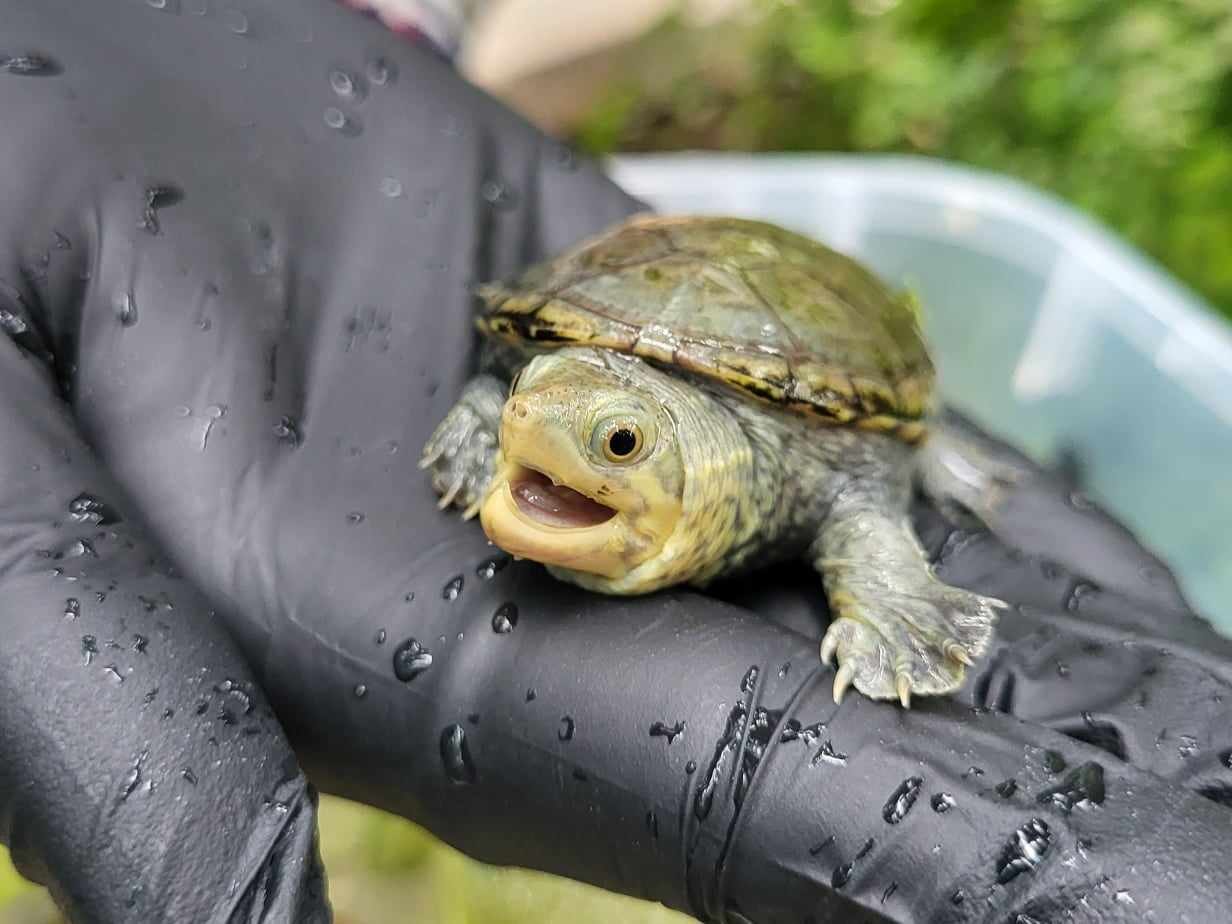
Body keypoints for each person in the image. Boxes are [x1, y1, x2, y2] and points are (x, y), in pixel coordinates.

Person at [2, 2, 1232, 921]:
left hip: (820, 355)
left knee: (910, 473)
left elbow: (859, 481)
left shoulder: (783, 455)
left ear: (682, 466)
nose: (530, 440)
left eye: (618, 447)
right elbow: (523, 379)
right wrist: (500, 403)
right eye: (529, 412)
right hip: (613, 289)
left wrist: (887, 599)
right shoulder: (539, 400)